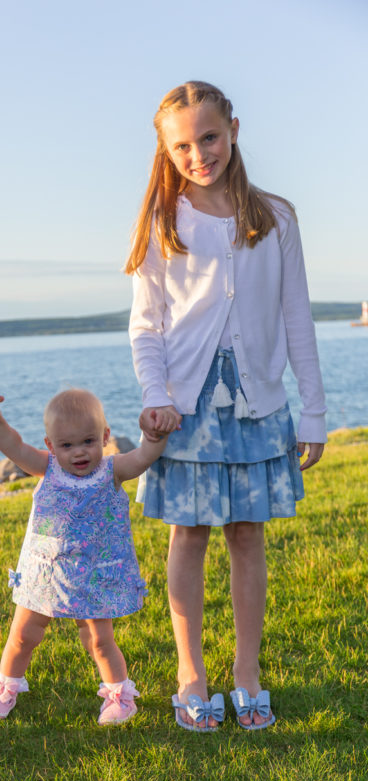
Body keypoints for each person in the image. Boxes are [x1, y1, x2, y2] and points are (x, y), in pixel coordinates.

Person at [126, 81, 326, 732]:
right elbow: (147, 325)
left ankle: (246, 673)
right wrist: (156, 397)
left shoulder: (278, 219)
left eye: (208, 137)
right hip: (185, 411)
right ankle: (191, 674)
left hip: (259, 407)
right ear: (166, 149)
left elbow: (297, 319)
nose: (199, 153)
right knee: (191, 534)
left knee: (247, 535)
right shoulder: (164, 220)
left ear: (233, 130)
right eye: (182, 144)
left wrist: (315, 412)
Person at [0, 388, 166, 725]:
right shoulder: (46, 467)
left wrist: (156, 437)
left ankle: (119, 695)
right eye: (66, 445)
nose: (79, 452)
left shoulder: (113, 470)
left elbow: (143, 458)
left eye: (88, 441)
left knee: (98, 639)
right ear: (50, 445)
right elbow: (14, 447)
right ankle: (6, 687)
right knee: (23, 634)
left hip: (94, 575)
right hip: (46, 572)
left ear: (106, 437)